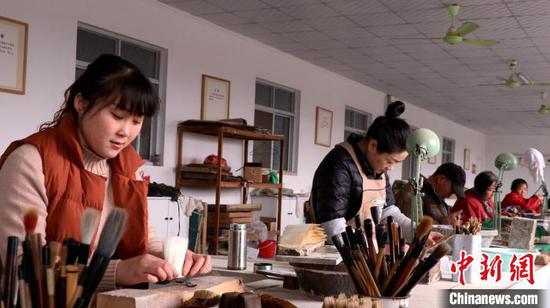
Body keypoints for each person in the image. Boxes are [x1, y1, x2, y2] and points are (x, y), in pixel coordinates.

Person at [0, 54, 211, 290]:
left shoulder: (129, 168)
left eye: (136, 121)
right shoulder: (31, 161)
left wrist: (172, 258)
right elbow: (23, 266)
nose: (126, 132)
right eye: (117, 116)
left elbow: (144, 239)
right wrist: (116, 272)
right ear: (81, 103)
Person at [311, 101, 442, 244]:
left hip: (364, 252)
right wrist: (373, 246)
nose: (391, 168)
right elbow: (332, 229)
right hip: (337, 254)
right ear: (373, 146)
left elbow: (388, 212)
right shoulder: (339, 166)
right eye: (390, 161)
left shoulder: (376, 166)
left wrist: (417, 233)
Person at [395, 163, 466, 225]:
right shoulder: (415, 191)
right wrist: (446, 221)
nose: (449, 195)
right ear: (441, 179)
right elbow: (410, 226)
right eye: (452, 191)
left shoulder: (437, 195)